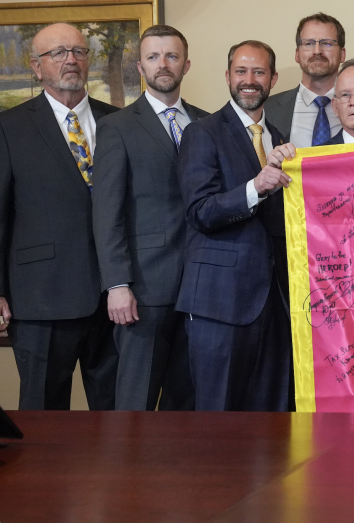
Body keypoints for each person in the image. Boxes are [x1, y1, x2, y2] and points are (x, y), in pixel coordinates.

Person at [0, 22, 119, 410]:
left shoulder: (120, 121)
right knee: (43, 419)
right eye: (58, 53)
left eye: (78, 51)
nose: (71, 59)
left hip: (116, 297)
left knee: (119, 419)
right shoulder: (8, 128)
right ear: (37, 67)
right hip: (41, 298)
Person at [92, 24, 207, 411]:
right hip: (144, 289)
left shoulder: (208, 123)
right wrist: (117, 284)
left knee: (188, 404)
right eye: (153, 57)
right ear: (140, 67)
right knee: (135, 405)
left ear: (186, 65)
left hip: (201, 288)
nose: (163, 64)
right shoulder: (117, 127)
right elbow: (107, 213)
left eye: (171, 56)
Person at [176, 40, 294, 411]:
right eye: (241, 71)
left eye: (259, 72)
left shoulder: (281, 139)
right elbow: (199, 211)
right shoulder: (202, 132)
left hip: (276, 303)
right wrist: (254, 187)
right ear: (228, 76)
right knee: (218, 419)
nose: (249, 80)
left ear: (273, 79)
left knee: (273, 420)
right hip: (220, 304)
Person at [263, 12, 354, 146]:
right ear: (297, 54)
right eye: (308, 43)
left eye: (327, 43)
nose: (317, 51)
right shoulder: (269, 109)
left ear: (342, 54)